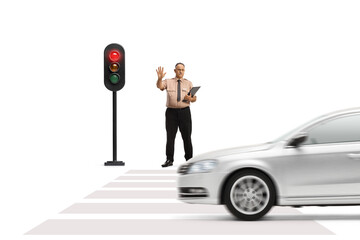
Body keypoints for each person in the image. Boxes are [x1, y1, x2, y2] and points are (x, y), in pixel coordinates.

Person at [156, 63, 197, 167]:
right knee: (170, 137)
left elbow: (194, 98)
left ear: (184, 71)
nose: (180, 71)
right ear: (175, 70)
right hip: (171, 113)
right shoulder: (168, 82)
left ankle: (189, 160)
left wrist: (190, 99)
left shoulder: (188, 83)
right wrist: (160, 78)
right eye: (178, 69)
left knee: (187, 137)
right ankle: (169, 159)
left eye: (182, 70)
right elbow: (160, 86)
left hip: (185, 112)